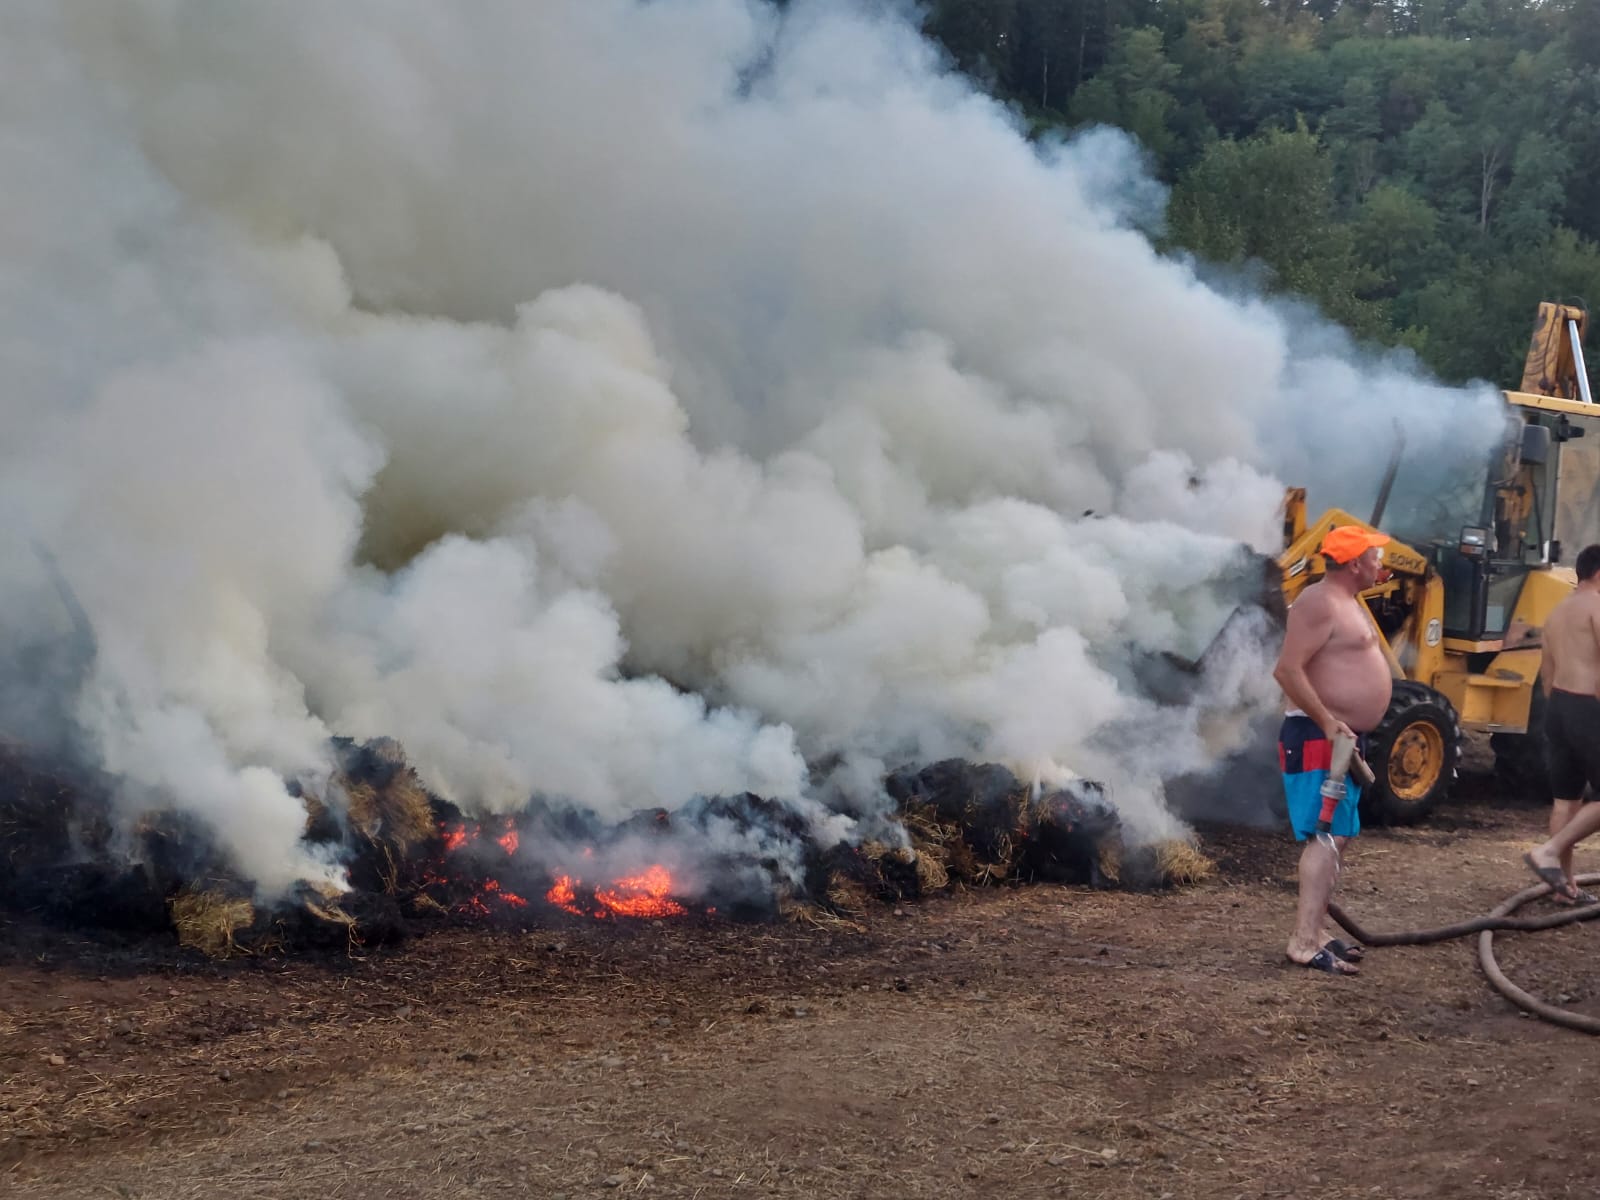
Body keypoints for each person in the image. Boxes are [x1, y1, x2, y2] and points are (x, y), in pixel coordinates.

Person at [1271, 525, 1395, 976]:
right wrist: (1326, 722)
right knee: (1323, 837)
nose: (1382, 563)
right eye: (1376, 556)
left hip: (1341, 737)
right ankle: (1303, 942)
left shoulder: (1347, 601)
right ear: (1355, 562)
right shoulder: (1317, 602)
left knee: (1338, 834)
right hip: (1317, 736)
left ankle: (1318, 930)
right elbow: (1287, 670)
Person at [1520, 544, 1600, 902]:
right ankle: (1548, 851)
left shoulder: (1556, 613)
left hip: (1558, 706)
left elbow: (1547, 675)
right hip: (1588, 706)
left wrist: (1560, 712)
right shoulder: (1596, 606)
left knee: (1566, 800)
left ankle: (1564, 888)